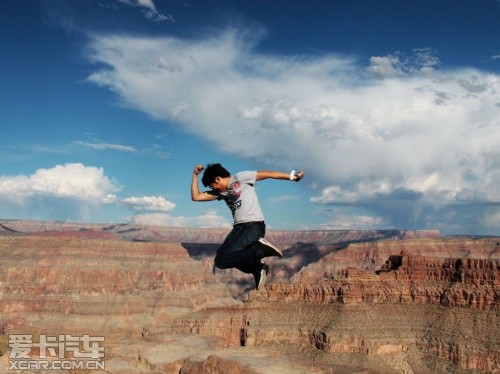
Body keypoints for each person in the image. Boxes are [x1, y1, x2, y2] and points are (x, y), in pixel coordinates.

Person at [191, 163, 304, 290]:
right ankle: (257, 268)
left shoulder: (240, 177)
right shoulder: (221, 194)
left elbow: (268, 173)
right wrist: (195, 174)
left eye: (213, 186)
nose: (215, 189)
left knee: (224, 258)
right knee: (220, 260)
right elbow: (196, 197)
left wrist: (292, 176)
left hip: (253, 226)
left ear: (218, 179)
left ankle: (261, 250)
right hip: (238, 229)